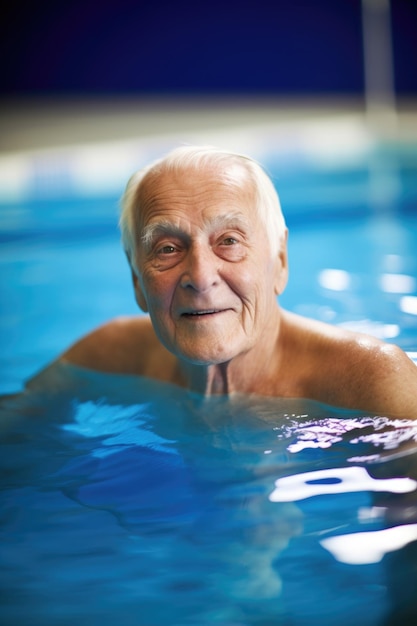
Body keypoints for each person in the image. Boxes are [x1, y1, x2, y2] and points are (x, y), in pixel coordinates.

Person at [46, 145, 417, 417]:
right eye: (168, 249)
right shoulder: (106, 358)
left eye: (229, 242)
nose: (202, 278)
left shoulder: (372, 385)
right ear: (136, 281)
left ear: (280, 261)